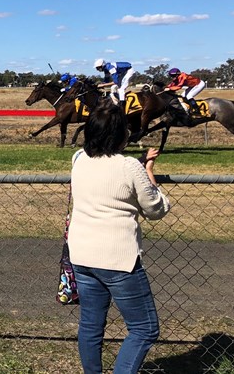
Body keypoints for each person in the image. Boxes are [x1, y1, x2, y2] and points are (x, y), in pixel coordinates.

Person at [68, 100, 171, 374]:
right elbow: (156, 209)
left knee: (91, 325)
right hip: (118, 260)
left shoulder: (79, 159)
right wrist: (148, 172)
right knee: (144, 328)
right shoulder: (129, 167)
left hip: (81, 254)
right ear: (121, 134)